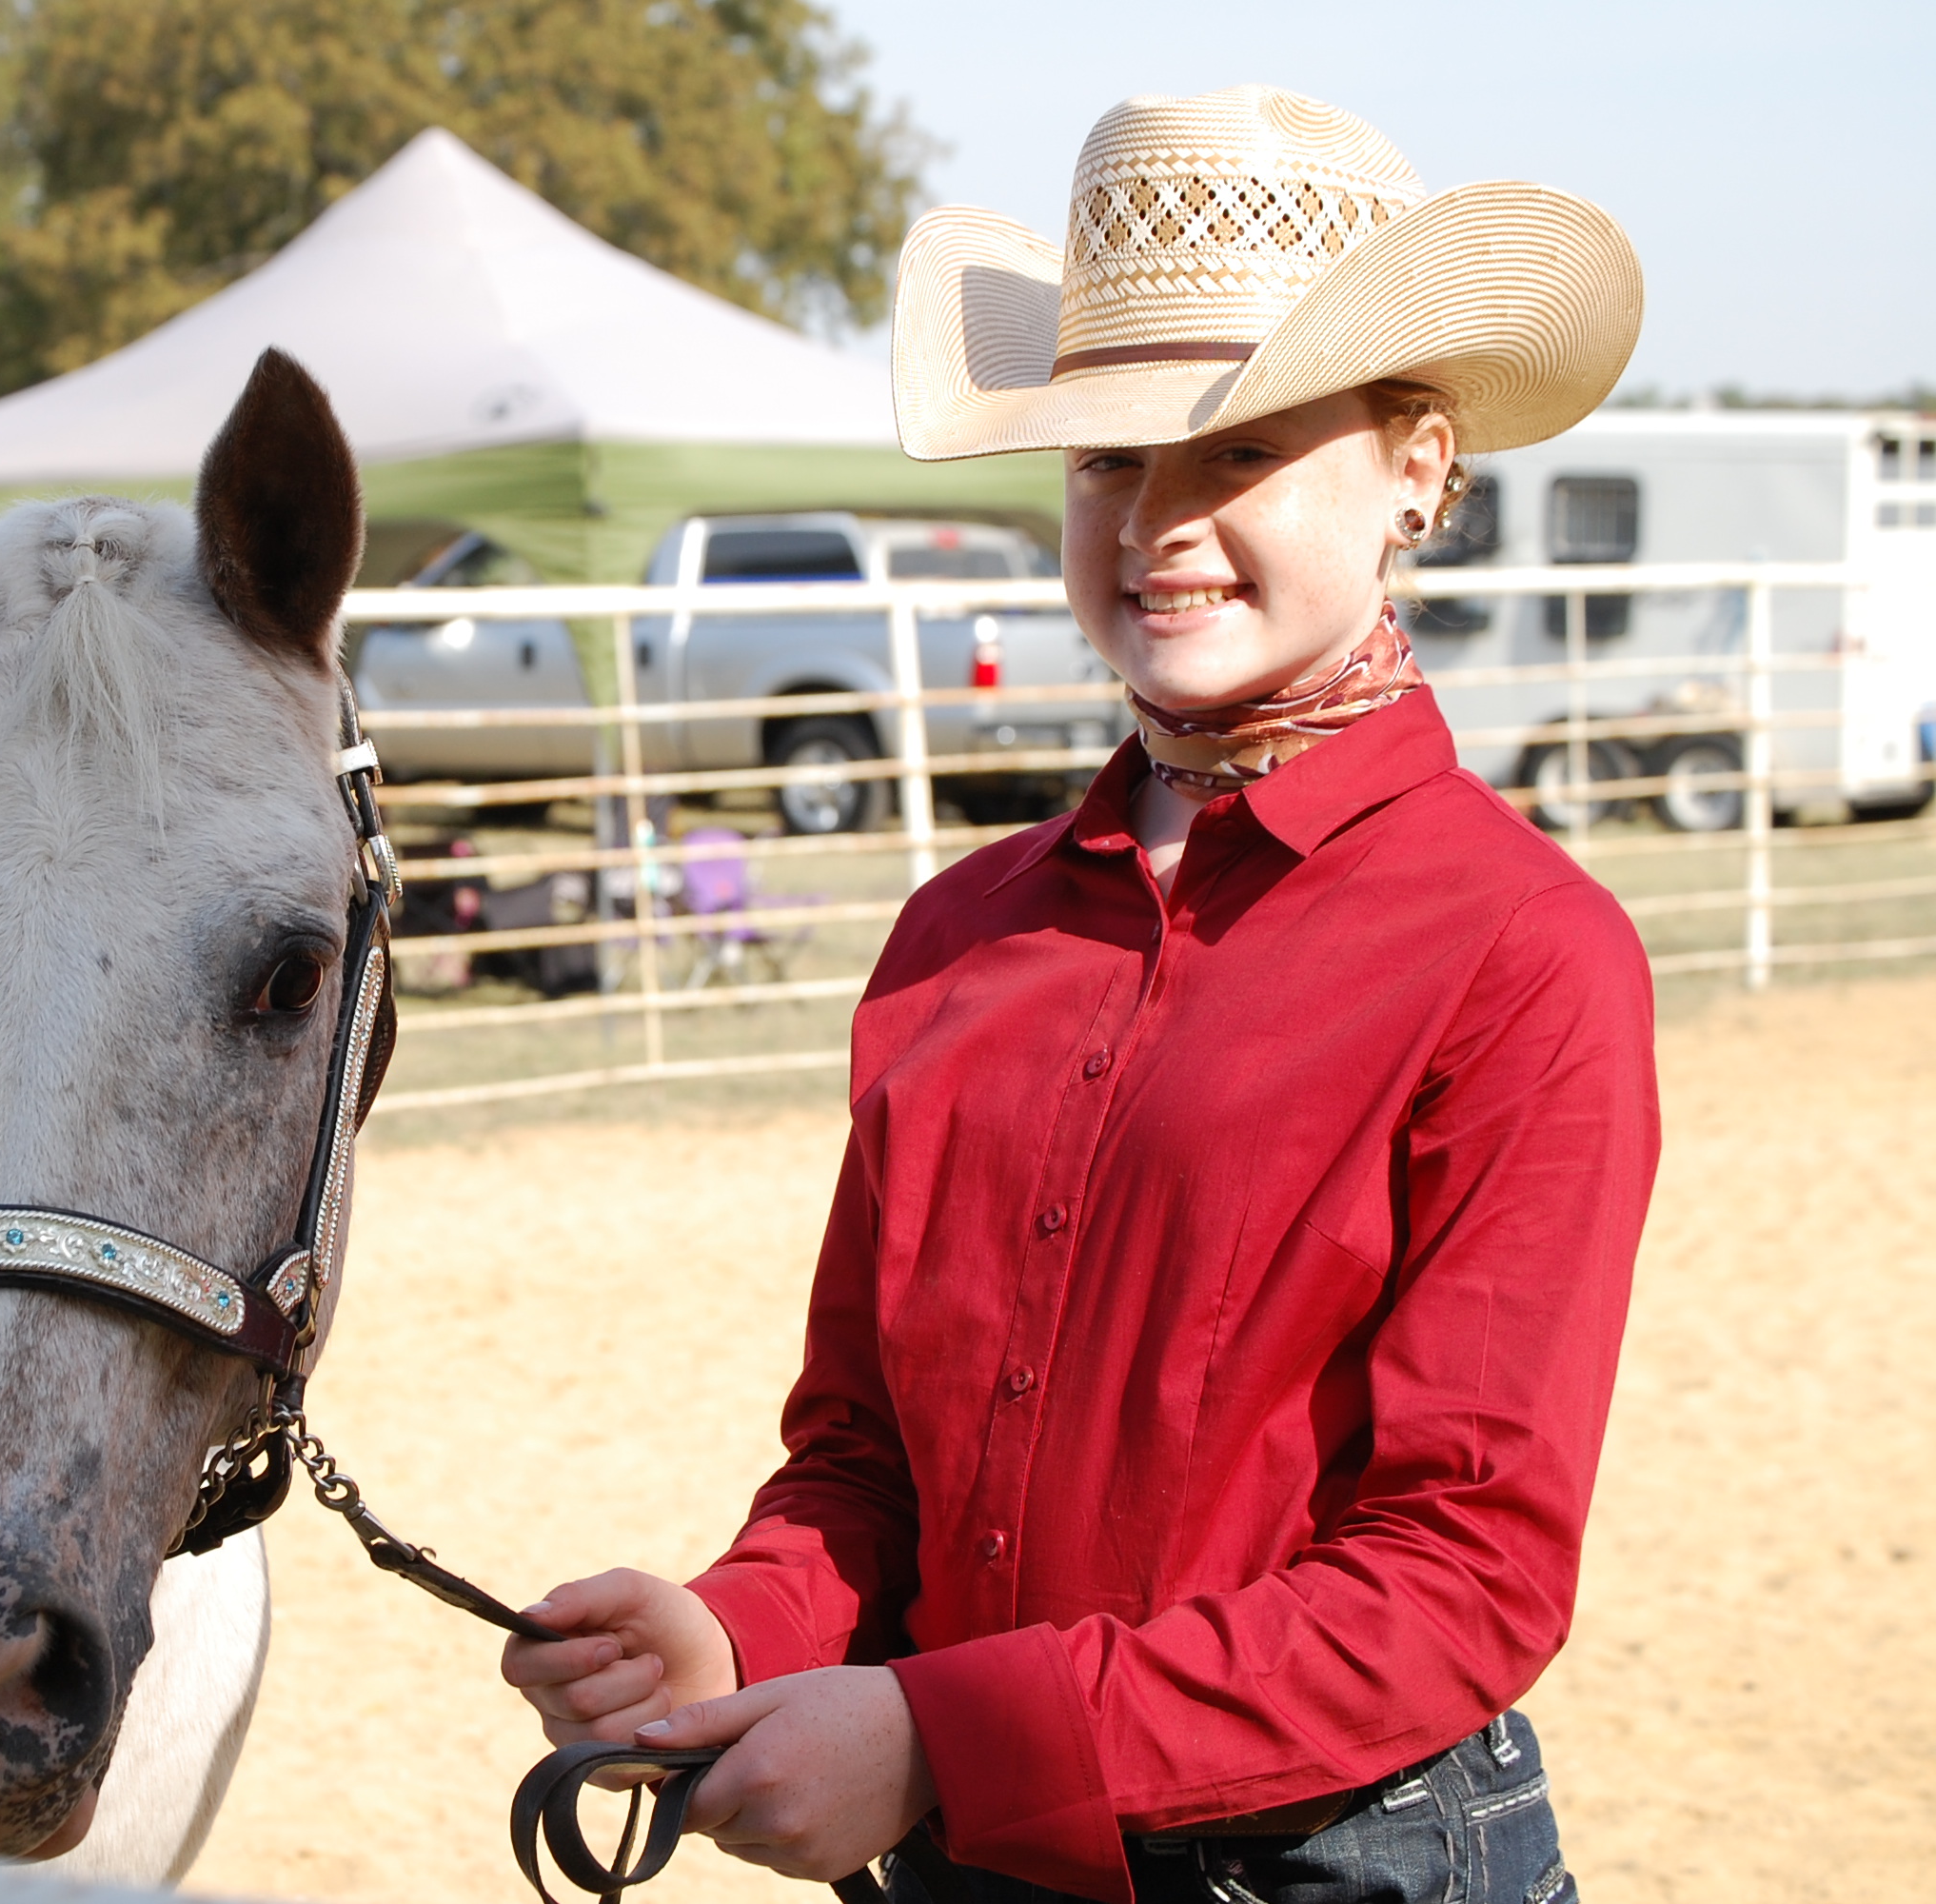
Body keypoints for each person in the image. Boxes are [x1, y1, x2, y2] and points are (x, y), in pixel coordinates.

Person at [500, 87, 1654, 1904]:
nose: (1155, 522)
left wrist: (941, 1740)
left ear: (1416, 468)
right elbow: (864, 1460)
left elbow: (1462, 1579)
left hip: (1336, 1865)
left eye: (1237, 448)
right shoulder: (958, 936)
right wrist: (730, 1633)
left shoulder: (1518, 952)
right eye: (1107, 460)